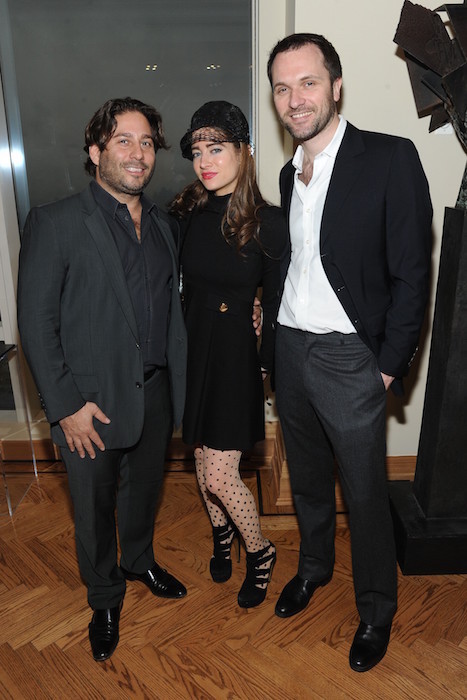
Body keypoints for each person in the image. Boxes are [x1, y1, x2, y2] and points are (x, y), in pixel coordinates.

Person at [267, 34, 432, 671]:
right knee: (308, 481)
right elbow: (300, 263)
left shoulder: (389, 158)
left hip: (351, 360)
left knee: (364, 495)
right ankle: (313, 568)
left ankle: (376, 609)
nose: (295, 99)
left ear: (336, 87)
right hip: (291, 348)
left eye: (307, 82)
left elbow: (413, 274)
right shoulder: (289, 174)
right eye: (282, 88)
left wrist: (387, 366)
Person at [17, 97, 188, 662]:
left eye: (146, 143)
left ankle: (138, 561)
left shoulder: (164, 225)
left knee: (144, 493)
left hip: (155, 392)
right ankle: (105, 596)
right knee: (92, 509)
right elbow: (36, 324)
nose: (138, 154)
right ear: (95, 151)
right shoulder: (55, 222)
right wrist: (66, 406)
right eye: (123, 141)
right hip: (88, 404)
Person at [170, 101, 288, 608]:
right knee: (201, 460)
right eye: (197, 151)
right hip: (193, 349)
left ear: (244, 150)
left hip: (237, 357)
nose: (204, 161)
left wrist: (265, 361)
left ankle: (259, 550)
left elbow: (277, 303)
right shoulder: (186, 214)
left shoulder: (269, 222)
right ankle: (222, 535)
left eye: (215, 148)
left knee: (221, 473)